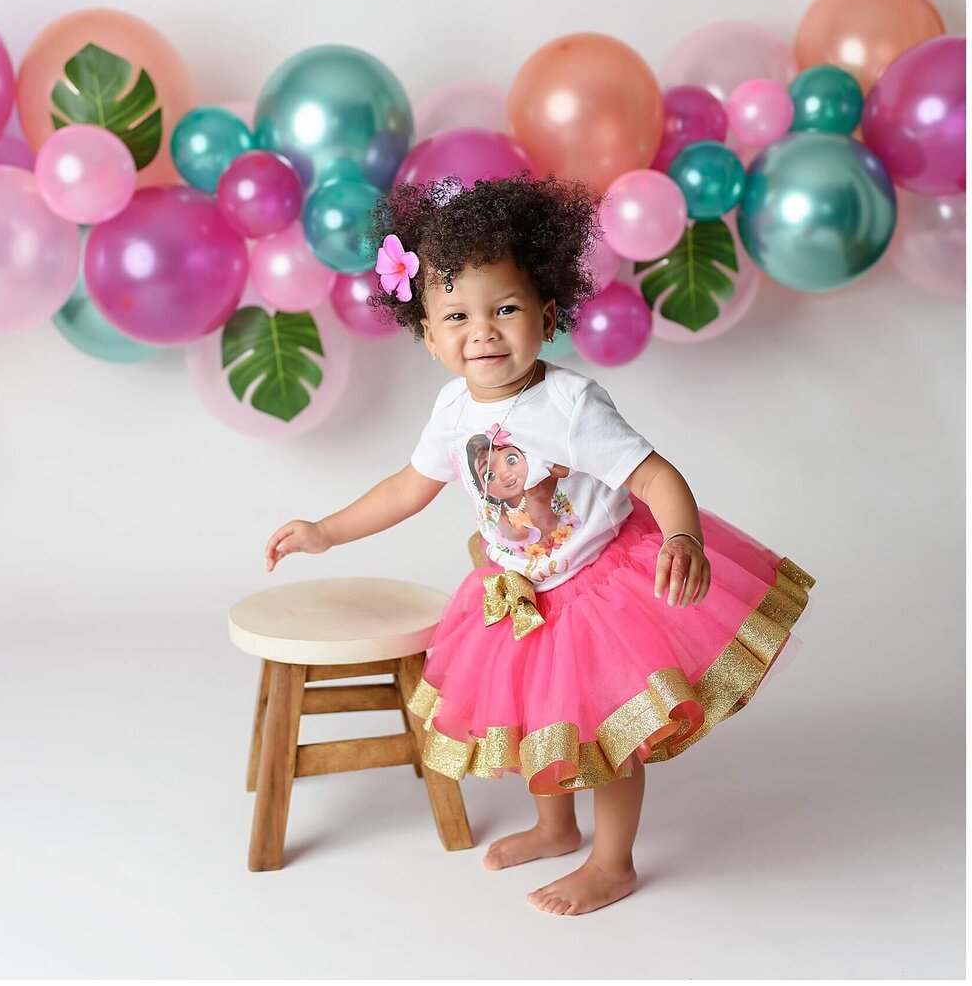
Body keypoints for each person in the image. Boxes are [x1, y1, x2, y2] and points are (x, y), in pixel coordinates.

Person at [263, 174, 815, 916]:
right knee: (540, 717)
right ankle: (554, 827)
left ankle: (612, 861)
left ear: (546, 315)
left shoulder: (570, 404)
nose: (482, 331)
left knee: (610, 730)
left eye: (505, 309)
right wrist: (326, 530)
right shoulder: (454, 406)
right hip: (519, 590)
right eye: (456, 314)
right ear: (428, 336)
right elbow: (407, 486)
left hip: (599, 589)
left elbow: (655, 478)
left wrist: (682, 532)